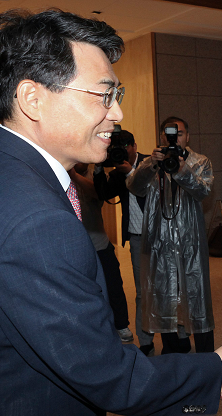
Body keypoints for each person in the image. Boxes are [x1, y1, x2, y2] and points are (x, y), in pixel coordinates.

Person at [0, 10, 222, 416]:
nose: (117, 114)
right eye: (104, 95)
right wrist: (214, 373)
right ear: (32, 99)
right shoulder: (34, 219)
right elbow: (105, 373)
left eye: (118, 96)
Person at [126, 116, 215, 354]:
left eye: (181, 133)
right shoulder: (151, 163)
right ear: (161, 137)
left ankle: (206, 356)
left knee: (196, 295)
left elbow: (203, 191)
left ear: (188, 136)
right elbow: (134, 187)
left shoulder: (200, 162)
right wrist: (150, 164)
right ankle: (175, 351)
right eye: (169, 134)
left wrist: (182, 169)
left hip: (190, 242)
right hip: (160, 242)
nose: (175, 138)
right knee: (164, 294)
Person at [93, 129, 154, 354]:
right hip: (137, 237)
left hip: (160, 236)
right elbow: (103, 194)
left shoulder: (150, 164)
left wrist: (132, 173)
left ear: (134, 146)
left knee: (168, 290)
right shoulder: (117, 169)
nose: (122, 151)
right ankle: (146, 342)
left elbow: (152, 198)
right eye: (116, 148)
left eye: (126, 146)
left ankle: (176, 337)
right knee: (141, 293)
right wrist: (100, 167)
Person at [71, 163, 132, 343]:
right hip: (76, 244)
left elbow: (98, 194)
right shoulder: (60, 173)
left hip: (99, 241)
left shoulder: (95, 174)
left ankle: (121, 325)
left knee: (114, 285)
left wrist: (74, 175)